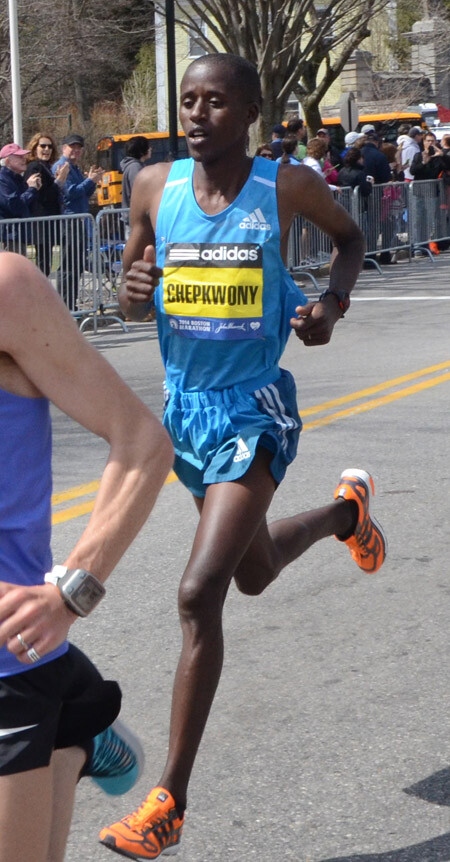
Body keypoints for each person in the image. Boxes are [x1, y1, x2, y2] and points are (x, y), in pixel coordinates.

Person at [99, 52, 386, 861]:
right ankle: (346, 514)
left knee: (200, 594)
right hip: (184, 414)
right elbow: (130, 289)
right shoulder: (152, 186)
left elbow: (351, 239)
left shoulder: (284, 187)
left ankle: (168, 803)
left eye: (216, 101)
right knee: (253, 573)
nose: (197, 114)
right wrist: (128, 293)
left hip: (253, 410)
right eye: (188, 101)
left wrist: (332, 304)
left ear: (251, 113)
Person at [0, 251, 173, 862]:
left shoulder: (8, 290)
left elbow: (143, 442)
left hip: (7, 666)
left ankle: (70, 732)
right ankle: (75, 727)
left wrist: (71, 593)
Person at [52, 133, 104, 311]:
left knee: (77, 265)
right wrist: (89, 181)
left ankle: (71, 305)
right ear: (63, 148)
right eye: (72, 146)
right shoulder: (62, 167)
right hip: (70, 222)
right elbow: (70, 193)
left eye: (79, 147)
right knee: (69, 266)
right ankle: (65, 306)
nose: (76, 150)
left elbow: (84, 194)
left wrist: (92, 181)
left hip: (80, 220)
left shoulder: (75, 167)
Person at [24, 132, 69, 275]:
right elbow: (42, 196)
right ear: (34, 148)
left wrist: (57, 180)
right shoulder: (34, 167)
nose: (47, 149)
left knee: (46, 261)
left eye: (50, 147)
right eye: (42, 146)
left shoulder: (47, 167)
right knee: (43, 263)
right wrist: (59, 181)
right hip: (40, 220)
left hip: (50, 220)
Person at [0, 142, 41, 251]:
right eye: (19, 157)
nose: (24, 159)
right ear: (7, 161)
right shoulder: (2, 180)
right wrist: (31, 189)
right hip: (9, 236)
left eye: (23, 156)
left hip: (19, 234)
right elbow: (14, 206)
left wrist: (34, 189)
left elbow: (29, 206)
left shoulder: (18, 179)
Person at [410, 131, 446, 254]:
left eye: (432, 141)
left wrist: (442, 155)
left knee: (430, 220)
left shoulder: (438, 158)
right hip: (418, 191)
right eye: (428, 141)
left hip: (431, 192)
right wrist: (423, 163)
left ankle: (427, 245)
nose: (430, 143)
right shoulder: (418, 156)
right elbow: (413, 171)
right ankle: (418, 247)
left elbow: (441, 170)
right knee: (418, 219)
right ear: (424, 142)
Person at [120, 136, 152, 239]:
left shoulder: (134, 166)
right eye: (148, 147)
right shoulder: (135, 167)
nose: (150, 149)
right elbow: (140, 191)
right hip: (136, 219)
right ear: (142, 151)